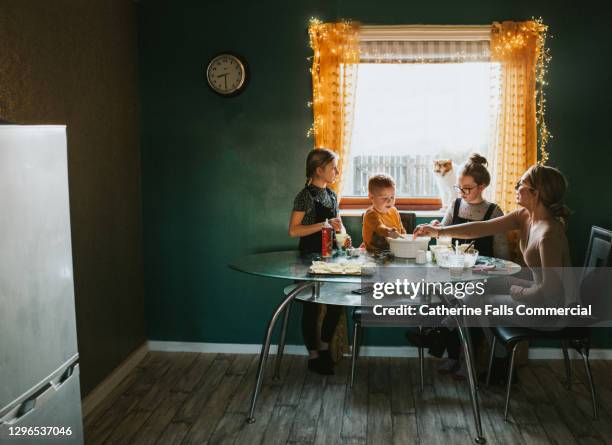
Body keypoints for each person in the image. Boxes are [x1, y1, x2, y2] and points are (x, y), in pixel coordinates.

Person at [418, 154, 509, 378]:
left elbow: (502, 253)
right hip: (456, 273)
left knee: (468, 302)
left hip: (483, 277)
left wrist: (494, 273)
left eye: (467, 189)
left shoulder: (494, 212)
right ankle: (451, 355)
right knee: (446, 298)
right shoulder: (456, 205)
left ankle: (464, 359)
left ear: (482, 186)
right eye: (460, 187)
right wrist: (436, 227)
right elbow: (444, 234)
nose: (462, 193)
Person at [289, 148, 344, 375]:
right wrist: (323, 225)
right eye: (333, 168)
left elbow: (338, 225)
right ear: (319, 170)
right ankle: (313, 355)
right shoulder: (305, 196)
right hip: (308, 259)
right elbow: (293, 230)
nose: (337, 172)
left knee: (336, 304)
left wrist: (345, 238)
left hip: (330, 258)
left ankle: (323, 347)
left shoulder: (331, 195)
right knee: (311, 308)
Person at [362, 174, 406, 252]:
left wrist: (406, 240)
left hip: (394, 252)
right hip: (374, 255)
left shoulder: (394, 211)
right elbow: (379, 228)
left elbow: (402, 231)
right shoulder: (370, 214)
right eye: (384, 198)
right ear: (371, 197)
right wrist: (389, 232)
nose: (389, 201)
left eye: (392, 197)